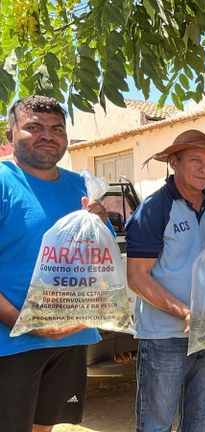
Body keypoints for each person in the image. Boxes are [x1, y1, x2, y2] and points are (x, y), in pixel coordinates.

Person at [0, 95, 108, 432]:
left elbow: (95, 261)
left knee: (45, 426)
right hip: (12, 343)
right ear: (9, 135)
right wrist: (25, 322)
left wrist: (100, 224)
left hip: (70, 338)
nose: (47, 135)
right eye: (34, 127)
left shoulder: (82, 187)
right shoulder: (3, 183)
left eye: (57, 129)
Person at [126, 129, 205, 431]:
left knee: (200, 419)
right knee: (156, 423)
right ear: (174, 162)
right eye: (195, 160)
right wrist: (185, 312)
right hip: (165, 336)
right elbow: (136, 277)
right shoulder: (154, 208)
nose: (204, 168)